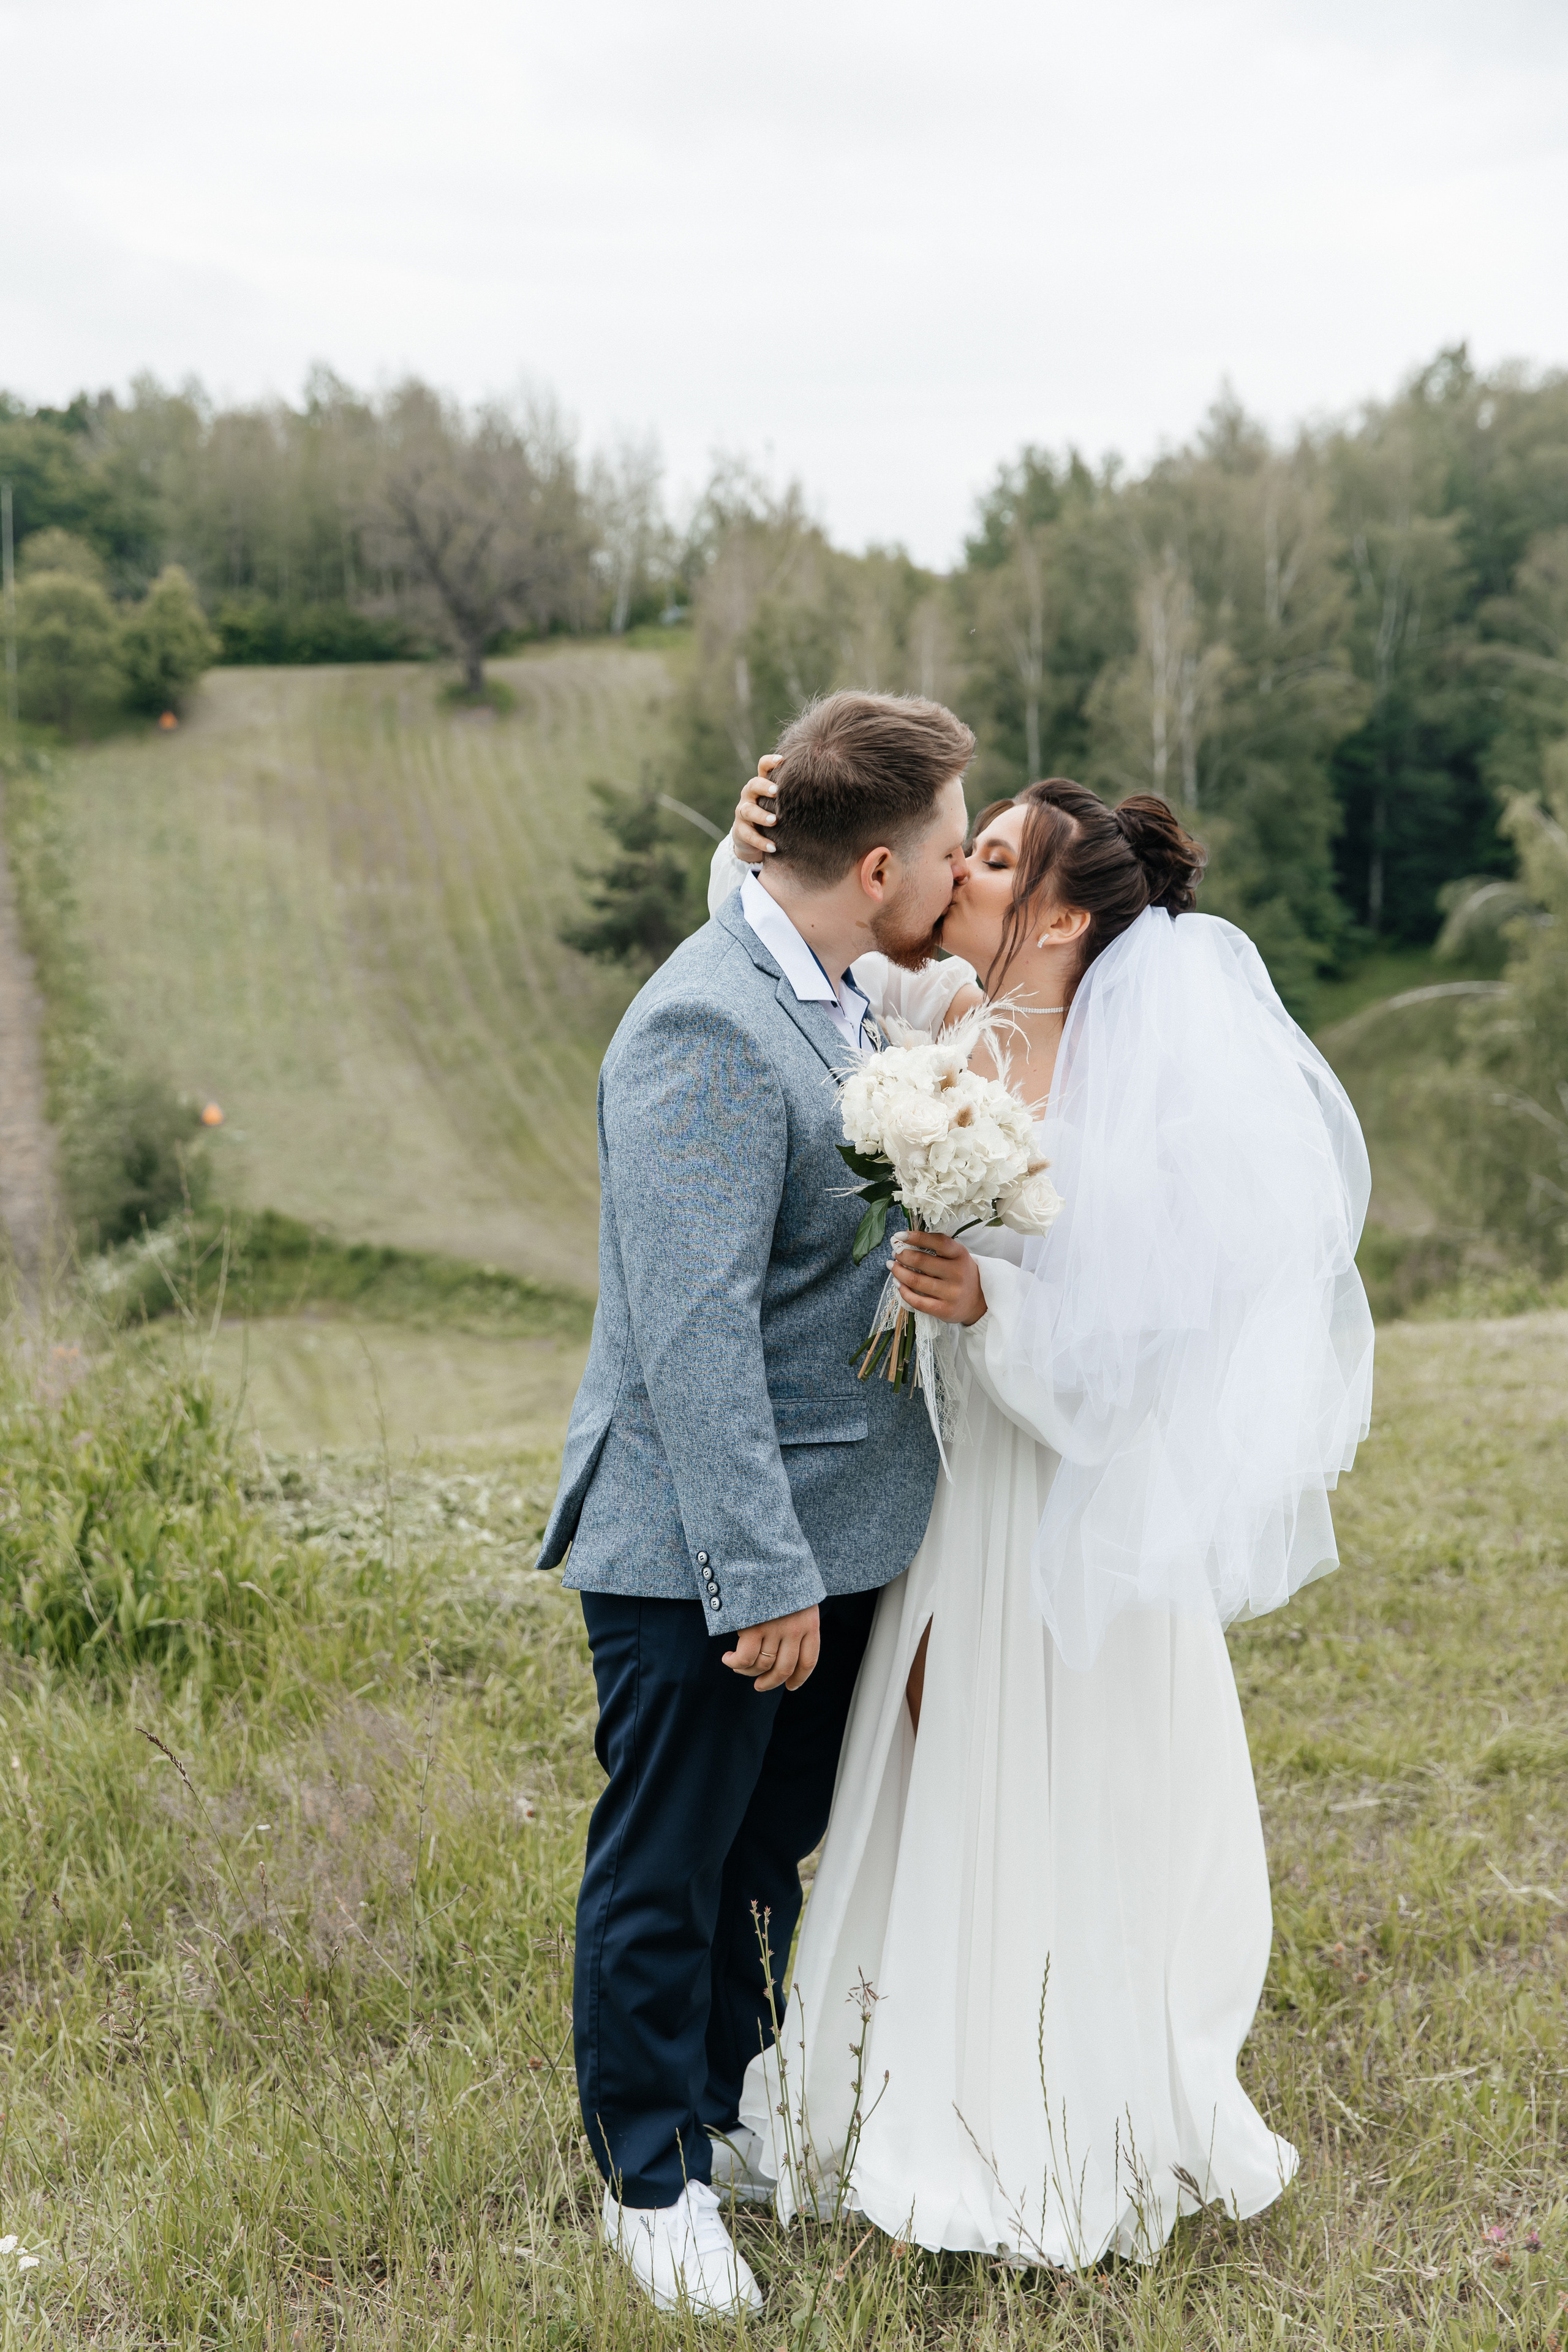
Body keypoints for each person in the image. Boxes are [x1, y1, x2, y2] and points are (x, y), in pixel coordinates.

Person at [707, 771, 1374, 2265]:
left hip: (1061, 1513)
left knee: (1055, 1783)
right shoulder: (941, 1025)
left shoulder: (1133, 1094)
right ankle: (890, 2071)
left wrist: (984, 1298)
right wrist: (753, 836)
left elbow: (1137, 1367)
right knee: (932, 1766)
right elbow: (791, 936)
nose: (962, 870)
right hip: (951, 1497)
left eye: (994, 858)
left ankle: (1050, 2108)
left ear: (1061, 914)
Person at [537, 690, 978, 2318]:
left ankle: (723, 2114)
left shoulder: (836, 993)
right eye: (948, 846)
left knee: (760, 1854)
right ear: (879, 866)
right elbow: (691, 1338)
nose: (954, 872)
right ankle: (648, 2180)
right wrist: (756, 1578)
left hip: (830, 1540)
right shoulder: (703, 1028)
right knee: (668, 1860)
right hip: (705, 1554)